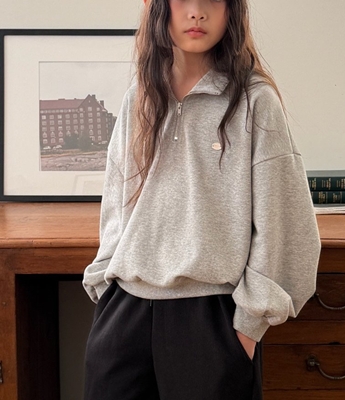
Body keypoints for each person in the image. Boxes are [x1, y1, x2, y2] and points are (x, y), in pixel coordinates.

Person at [83, 0, 321, 399]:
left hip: (211, 322)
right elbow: (115, 205)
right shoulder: (138, 99)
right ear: (158, 6)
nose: (197, 12)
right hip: (124, 313)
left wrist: (247, 328)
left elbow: (287, 225)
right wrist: (105, 282)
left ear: (232, 9)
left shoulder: (254, 102)